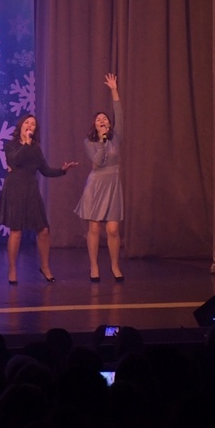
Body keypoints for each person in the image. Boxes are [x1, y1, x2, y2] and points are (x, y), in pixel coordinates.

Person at [0, 114, 78, 284]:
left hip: (31, 191)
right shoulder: (10, 145)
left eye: (33, 124)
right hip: (15, 190)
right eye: (27, 123)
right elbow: (15, 161)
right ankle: (12, 269)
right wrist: (26, 143)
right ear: (21, 126)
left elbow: (45, 170)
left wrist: (62, 170)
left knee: (44, 230)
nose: (30, 126)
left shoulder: (36, 149)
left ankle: (45, 267)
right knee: (16, 231)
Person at [75, 73, 125, 282]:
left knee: (112, 229)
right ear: (95, 126)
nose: (103, 120)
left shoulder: (117, 138)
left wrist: (114, 90)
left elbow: (119, 114)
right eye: (99, 119)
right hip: (96, 184)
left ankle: (115, 265)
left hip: (113, 184)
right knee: (94, 227)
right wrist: (103, 142)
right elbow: (98, 162)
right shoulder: (90, 142)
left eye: (105, 118)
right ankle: (94, 266)